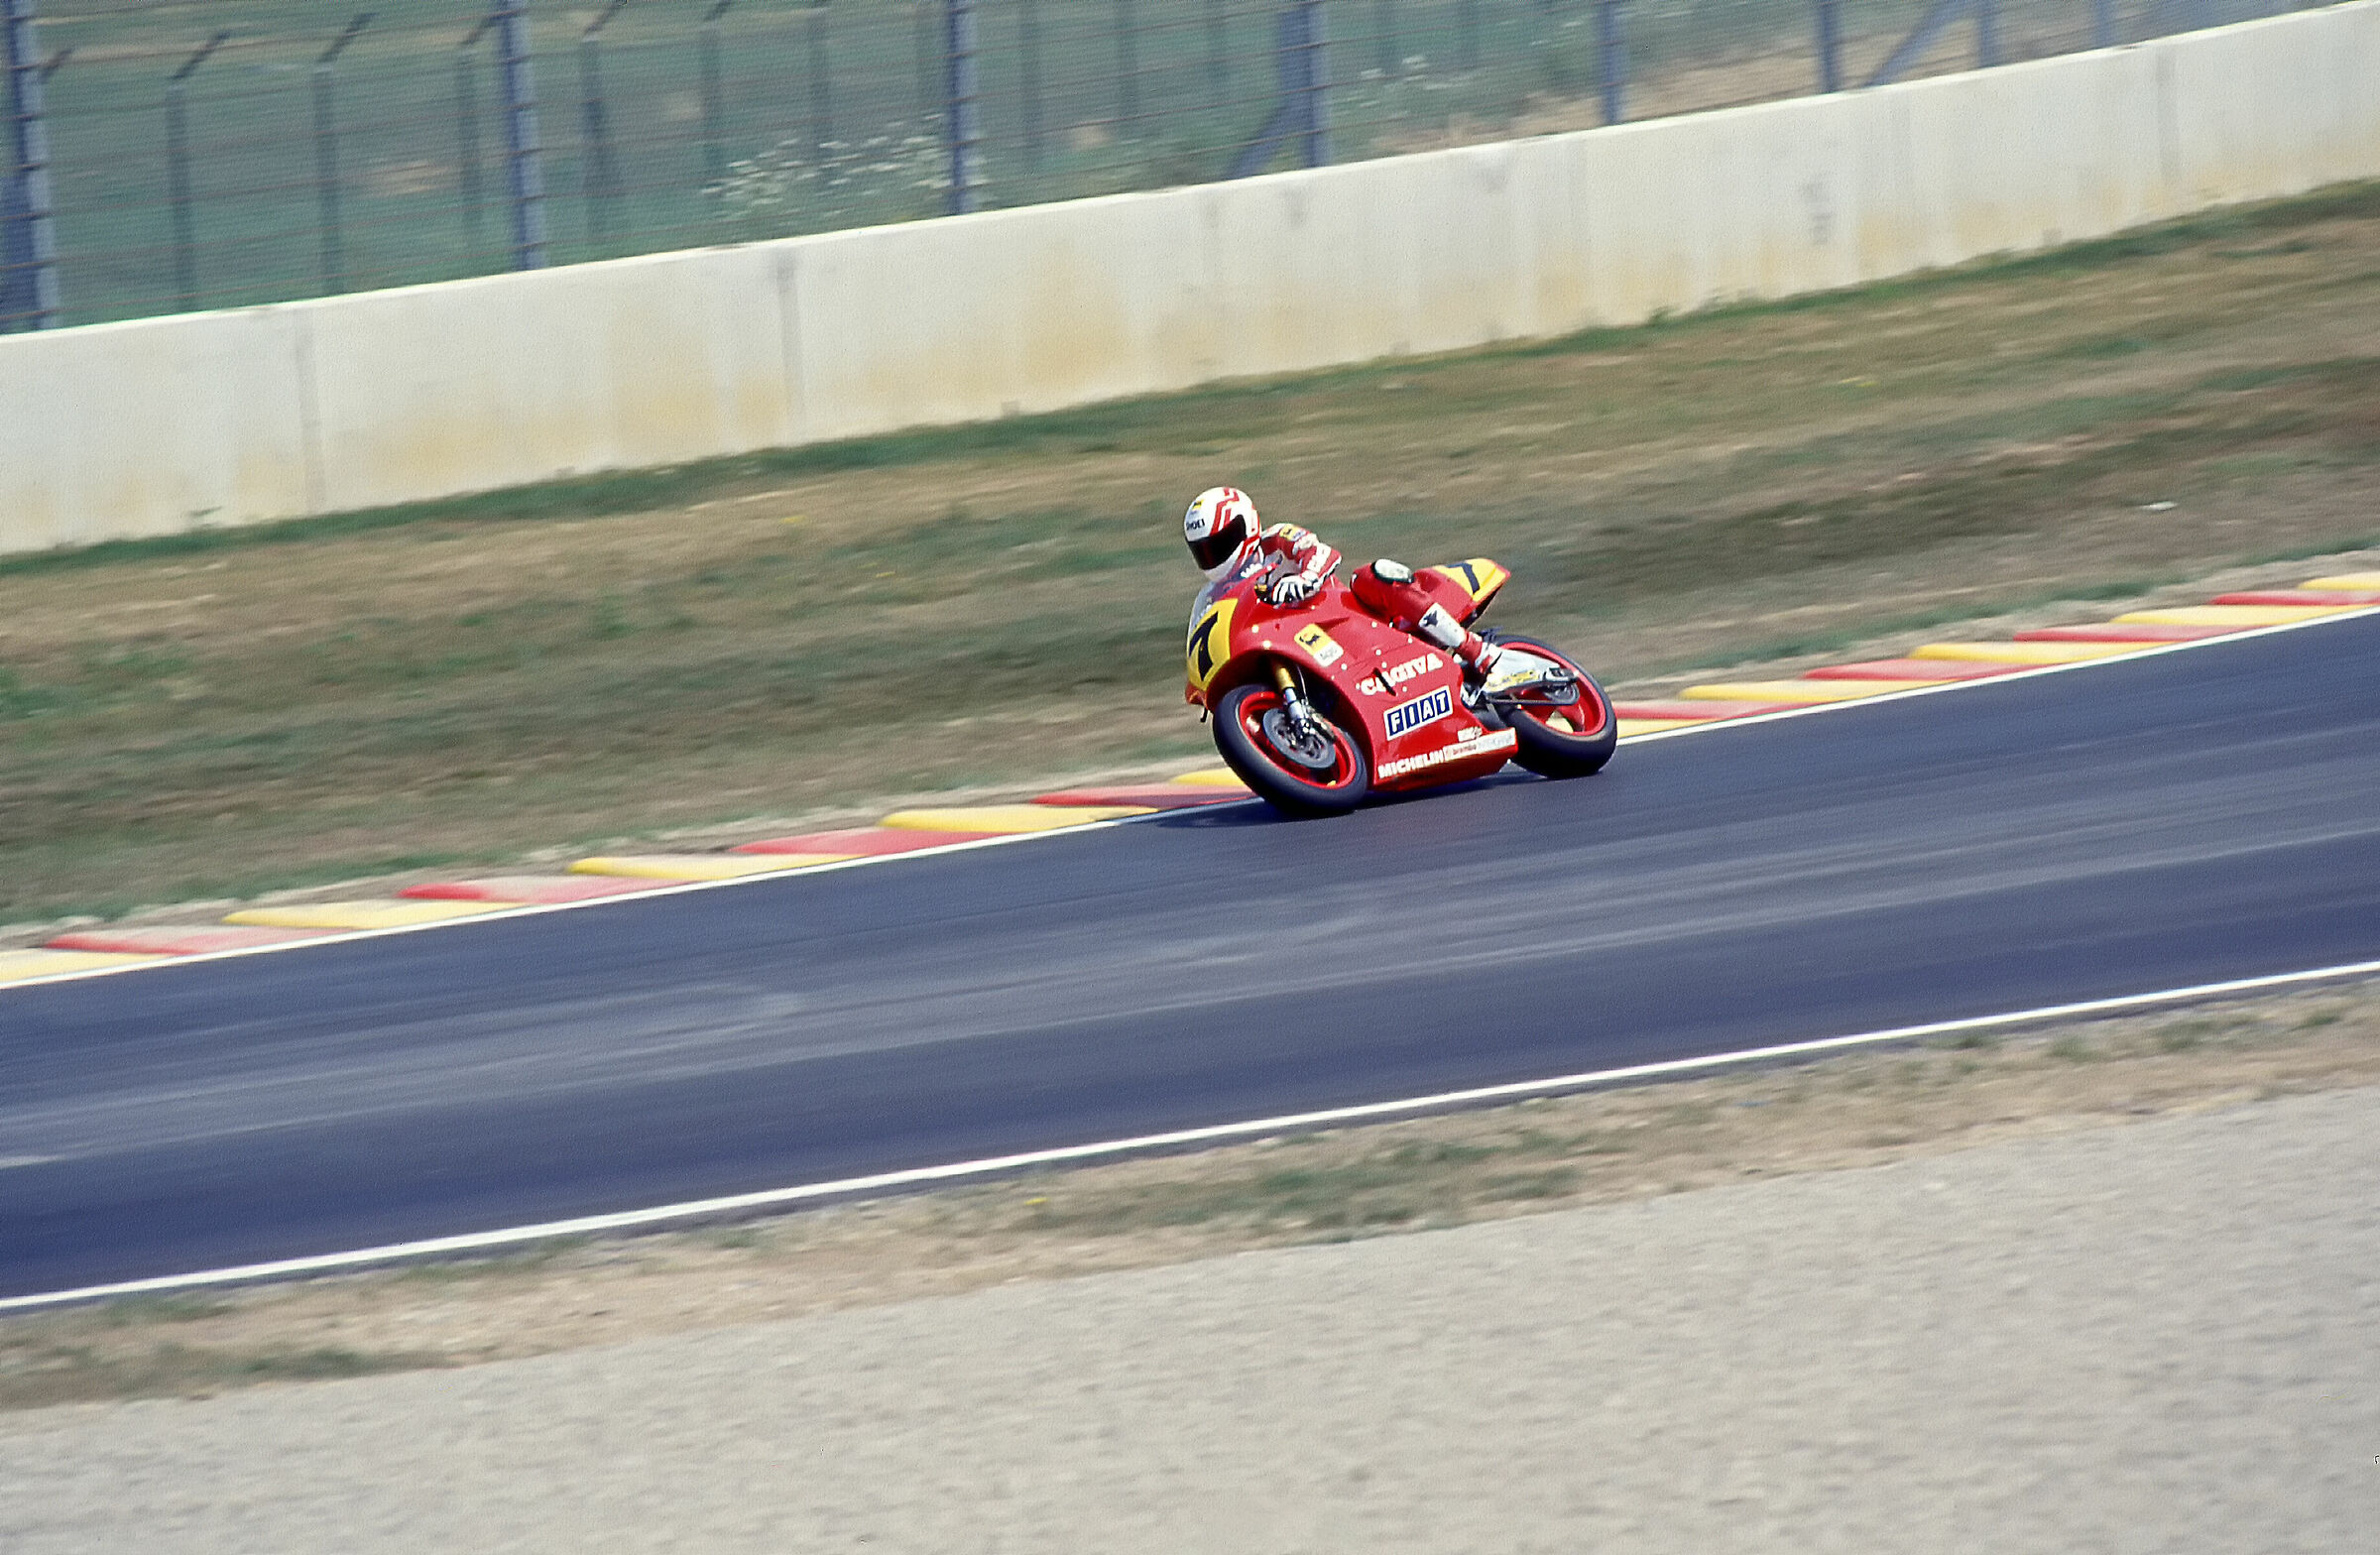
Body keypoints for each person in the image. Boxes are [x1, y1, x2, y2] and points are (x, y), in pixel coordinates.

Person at [1181, 485, 1505, 676]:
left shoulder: (1275, 540)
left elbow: (1319, 551)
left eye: (1221, 544)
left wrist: (1306, 578)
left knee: (1372, 575)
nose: (1213, 557)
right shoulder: (1213, 596)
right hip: (1298, 646)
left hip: (1343, 619)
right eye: (1204, 551)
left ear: (1246, 526)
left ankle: (1474, 649)